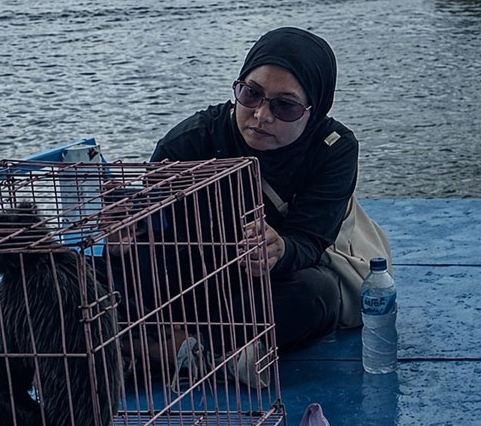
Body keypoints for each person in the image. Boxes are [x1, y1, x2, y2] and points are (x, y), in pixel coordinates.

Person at [150, 27, 357, 352]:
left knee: (317, 294)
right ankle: (198, 349)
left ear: (314, 110)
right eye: (250, 94)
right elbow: (149, 240)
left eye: (285, 106)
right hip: (186, 281)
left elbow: (311, 239)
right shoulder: (187, 143)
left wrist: (281, 249)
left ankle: (182, 349)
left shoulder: (332, 149)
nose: (261, 115)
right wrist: (124, 239)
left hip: (261, 288)